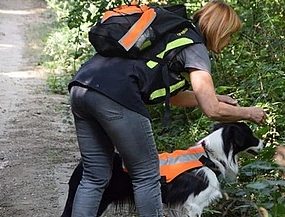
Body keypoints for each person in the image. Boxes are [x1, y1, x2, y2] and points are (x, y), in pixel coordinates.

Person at [67, 0, 267, 216]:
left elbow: (174, 97)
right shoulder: (194, 46)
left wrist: (214, 97)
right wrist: (249, 113)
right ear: (220, 29)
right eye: (230, 35)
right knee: (146, 175)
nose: (230, 41)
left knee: (95, 176)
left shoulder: (172, 33)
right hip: (116, 97)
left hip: (83, 87)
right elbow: (212, 111)